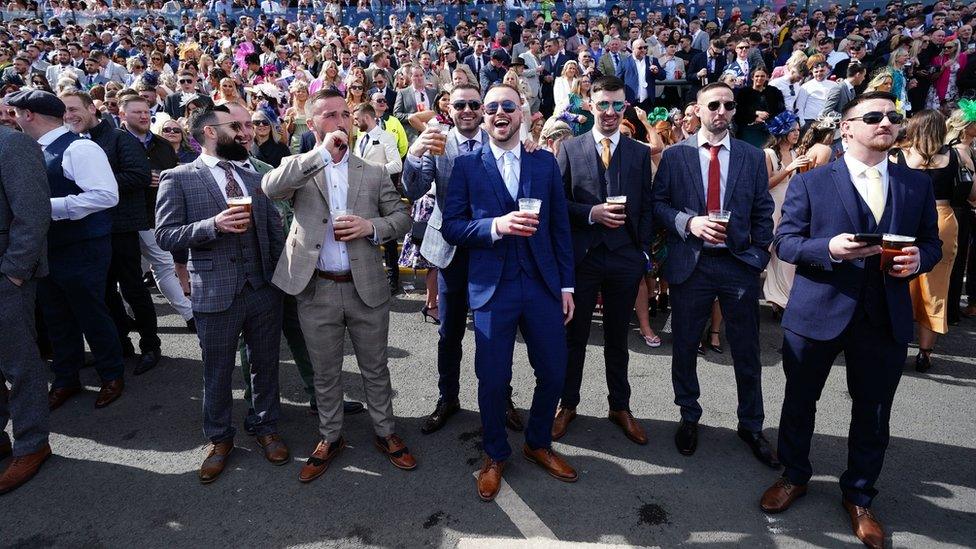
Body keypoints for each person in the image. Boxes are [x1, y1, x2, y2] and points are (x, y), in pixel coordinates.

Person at [762, 91, 942, 549]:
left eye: (893, 117)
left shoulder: (915, 185)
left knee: (874, 412)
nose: (886, 123)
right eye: (874, 116)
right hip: (818, 311)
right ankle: (794, 475)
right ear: (847, 128)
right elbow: (786, 244)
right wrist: (829, 249)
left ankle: (860, 496)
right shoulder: (811, 182)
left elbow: (931, 245)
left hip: (883, 316)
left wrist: (920, 259)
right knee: (800, 401)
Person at [261, 89, 415, 483]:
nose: (340, 121)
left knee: (375, 366)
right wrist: (319, 155)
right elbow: (270, 189)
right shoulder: (299, 165)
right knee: (325, 371)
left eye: (344, 114)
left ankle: (385, 432)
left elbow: (400, 217)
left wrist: (371, 227)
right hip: (317, 287)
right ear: (311, 123)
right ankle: (330, 436)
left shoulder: (372, 170)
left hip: (365, 285)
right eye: (328, 115)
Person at [442, 83, 577, 502]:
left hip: (541, 284)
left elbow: (559, 227)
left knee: (554, 371)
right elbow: (452, 227)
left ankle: (538, 442)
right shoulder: (466, 166)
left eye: (508, 106)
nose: (499, 113)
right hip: (492, 288)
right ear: (483, 117)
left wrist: (566, 284)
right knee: (494, 379)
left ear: (524, 112)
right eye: (491, 108)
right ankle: (495, 454)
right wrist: (496, 227)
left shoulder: (544, 163)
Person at [155, 105, 288, 484]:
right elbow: (165, 235)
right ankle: (219, 439)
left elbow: (272, 229)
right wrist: (213, 225)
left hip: (262, 288)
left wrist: (281, 278)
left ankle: (265, 427)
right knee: (217, 371)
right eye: (236, 126)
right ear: (211, 132)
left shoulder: (252, 173)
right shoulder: (178, 177)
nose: (245, 132)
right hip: (214, 292)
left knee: (265, 365)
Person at [651, 82, 778, 467]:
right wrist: (689, 223)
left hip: (738, 264)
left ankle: (751, 424)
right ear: (698, 109)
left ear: (734, 110)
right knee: (686, 345)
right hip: (693, 264)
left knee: (747, 349)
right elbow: (658, 205)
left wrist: (756, 256)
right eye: (713, 105)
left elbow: (763, 210)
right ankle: (689, 416)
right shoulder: (675, 156)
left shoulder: (751, 157)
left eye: (727, 105)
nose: (720, 111)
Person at [402, 83, 525, 434]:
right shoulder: (437, 141)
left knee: (498, 331)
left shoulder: (500, 138)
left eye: (474, 104)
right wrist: (414, 153)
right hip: (450, 248)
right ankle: (448, 397)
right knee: (449, 331)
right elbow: (412, 190)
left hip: (491, 246)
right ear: (448, 109)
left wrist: (528, 142)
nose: (468, 110)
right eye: (460, 105)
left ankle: (502, 397)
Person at [553, 76, 654, 446]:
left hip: (625, 259)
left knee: (617, 338)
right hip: (583, 259)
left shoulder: (640, 152)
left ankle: (620, 406)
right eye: (603, 104)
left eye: (617, 105)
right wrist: (591, 214)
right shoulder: (570, 149)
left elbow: (646, 205)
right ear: (589, 106)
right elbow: (557, 205)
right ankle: (568, 404)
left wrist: (641, 251)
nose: (610, 112)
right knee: (574, 337)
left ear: (624, 107)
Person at [9, 89, 124, 411]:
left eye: (16, 113)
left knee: (90, 312)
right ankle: (66, 378)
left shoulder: (80, 148)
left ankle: (111, 374)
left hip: (82, 247)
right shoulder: (31, 149)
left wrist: (45, 207)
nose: (13, 119)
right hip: (47, 248)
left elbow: (105, 195)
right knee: (56, 316)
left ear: (28, 114)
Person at [59, 89, 163, 374]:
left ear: (92, 108)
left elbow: (140, 175)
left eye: (73, 108)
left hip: (120, 227)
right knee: (104, 291)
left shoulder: (119, 138)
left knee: (132, 289)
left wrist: (96, 183)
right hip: (90, 230)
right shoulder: (70, 143)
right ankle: (121, 344)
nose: (68, 115)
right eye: (64, 111)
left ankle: (150, 346)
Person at [890, 110, 965, 372]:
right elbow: (970, 190)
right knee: (936, 286)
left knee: (900, 277)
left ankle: (896, 342)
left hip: (908, 219)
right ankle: (925, 352)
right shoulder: (955, 154)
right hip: (943, 217)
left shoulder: (900, 154)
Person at [0, 123, 52, 495]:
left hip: (6, 276)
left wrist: (15, 273)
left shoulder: (12, 144)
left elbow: (33, 215)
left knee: (19, 363)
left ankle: (32, 444)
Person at [117, 95, 193, 333]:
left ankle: (190, 316)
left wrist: (165, 182)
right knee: (130, 275)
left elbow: (173, 177)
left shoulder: (162, 145)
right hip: (123, 219)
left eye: (145, 111)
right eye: (136, 112)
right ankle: (130, 319)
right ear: (122, 115)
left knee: (163, 265)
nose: (142, 116)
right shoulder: (113, 143)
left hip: (155, 217)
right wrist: (138, 180)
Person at [762, 111, 808, 314]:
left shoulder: (797, 154)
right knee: (770, 253)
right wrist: (789, 169)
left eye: (798, 130)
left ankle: (781, 299)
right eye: (793, 129)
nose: (797, 133)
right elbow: (765, 184)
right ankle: (774, 298)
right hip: (772, 206)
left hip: (790, 207)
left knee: (785, 253)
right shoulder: (769, 154)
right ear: (783, 131)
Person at [946, 104, 976, 322]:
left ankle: (951, 308)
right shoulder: (958, 150)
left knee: (956, 262)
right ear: (966, 126)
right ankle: (949, 310)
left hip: (960, 211)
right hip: (957, 211)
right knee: (954, 262)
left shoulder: (963, 148)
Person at [734, 65, 785, 147]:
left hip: (769, 130)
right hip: (749, 130)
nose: (759, 78)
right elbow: (739, 112)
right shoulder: (744, 93)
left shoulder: (774, 92)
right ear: (752, 77)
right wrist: (755, 115)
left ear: (767, 77)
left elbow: (780, 110)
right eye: (757, 76)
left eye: (762, 76)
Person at [617, 39, 663, 112]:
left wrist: (657, 72)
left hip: (648, 102)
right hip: (630, 103)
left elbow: (662, 76)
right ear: (633, 49)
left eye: (645, 47)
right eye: (640, 48)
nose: (643, 50)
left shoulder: (652, 60)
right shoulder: (624, 62)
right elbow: (618, 81)